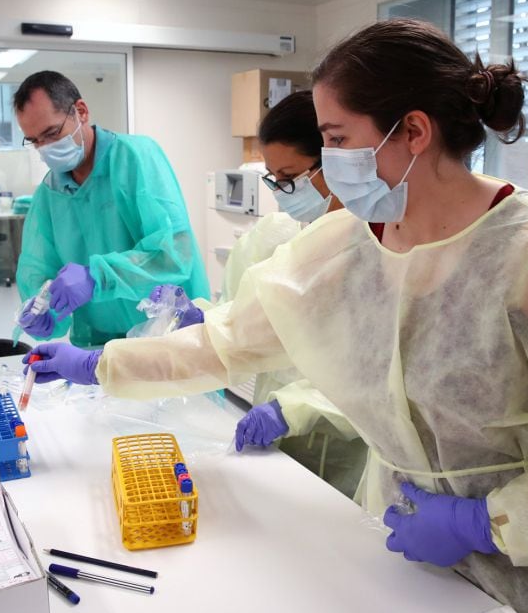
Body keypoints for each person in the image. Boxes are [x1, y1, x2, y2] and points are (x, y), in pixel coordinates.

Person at [24, 20, 528, 613]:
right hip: (406, 564)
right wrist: (102, 364)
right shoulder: (348, 247)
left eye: (336, 139)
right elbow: (230, 341)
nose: (329, 165)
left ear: (413, 131)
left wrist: (489, 523)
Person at [152, 91, 368, 499]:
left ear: (336, 161)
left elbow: (376, 378)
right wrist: (203, 318)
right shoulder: (277, 234)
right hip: (278, 445)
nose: (283, 193)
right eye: (275, 180)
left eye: (291, 178)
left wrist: (296, 408)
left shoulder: (380, 247)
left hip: (347, 453)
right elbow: (237, 315)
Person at [12, 70, 209, 347]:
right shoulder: (49, 194)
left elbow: (173, 255)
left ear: (81, 111)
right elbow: (39, 269)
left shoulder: (135, 158)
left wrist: (97, 276)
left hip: (168, 336)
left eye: (52, 133)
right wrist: (43, 309)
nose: (45, 148)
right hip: (100, 343)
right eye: (35, 141)